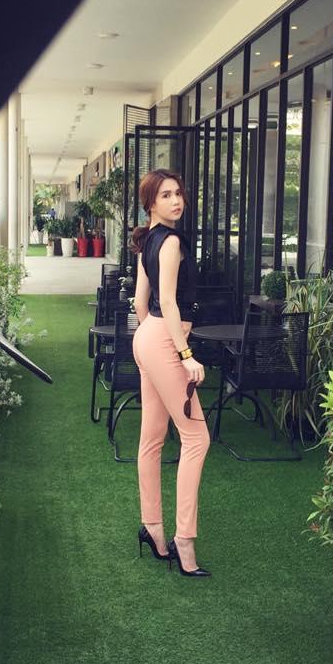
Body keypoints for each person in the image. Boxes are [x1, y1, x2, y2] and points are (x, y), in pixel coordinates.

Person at [130, 169, 211, 578]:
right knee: (197, 438)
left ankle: (153, 528)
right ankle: (184, 540)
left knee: (152, 439)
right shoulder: (172, 241)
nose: (176, 200)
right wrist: (183, 354)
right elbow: (166, 301)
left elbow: (139, 302)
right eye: (165, 195)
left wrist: (152, 339)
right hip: (164, 340)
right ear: (150, 203)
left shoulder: (148, 239)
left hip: (147, 336)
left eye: (178, 193)